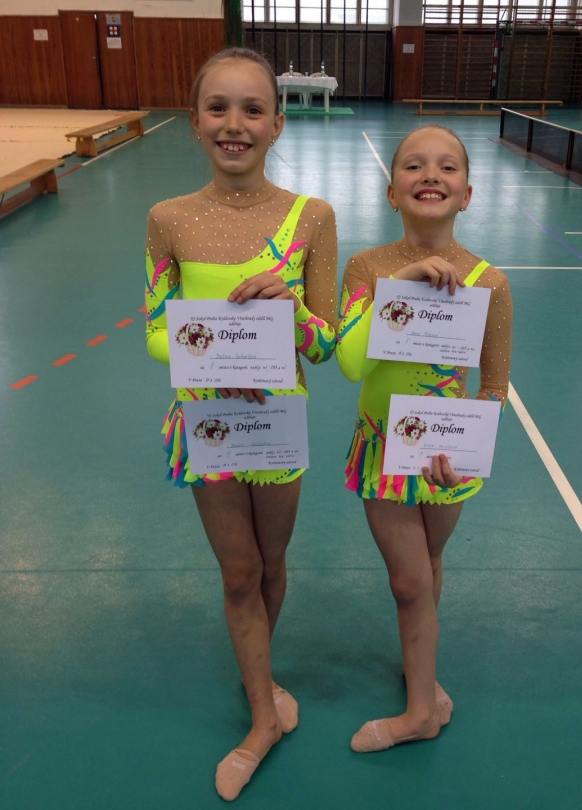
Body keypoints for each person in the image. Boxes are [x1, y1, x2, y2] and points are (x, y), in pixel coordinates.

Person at [145, 47, 338, 800]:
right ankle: (262, 717)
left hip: (278, 421)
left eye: (252, 109)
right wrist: (209, 361)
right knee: (238, 572)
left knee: (272, 563)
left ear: (277, 125)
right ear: (194, 122)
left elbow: (323, 343)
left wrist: (294, 315)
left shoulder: (311, 218)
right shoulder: (168, 219)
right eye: (218, 108)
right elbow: (157, 331)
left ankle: (260, 672)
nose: (235, 124)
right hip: (207, 420)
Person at [336, 125, 512, 752]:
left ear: (467, 193)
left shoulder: (489, 282)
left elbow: (494, 384)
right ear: (392, 192)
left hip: (445, 452)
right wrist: (403, 283)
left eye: (447, 167)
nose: (430, 175)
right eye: (413, 165)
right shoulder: (366, 267)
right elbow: (351, 363)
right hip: (383, 447)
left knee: (428, 567)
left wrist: (465, 450)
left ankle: (421, 674)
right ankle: (420, 714)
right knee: (409, 582)